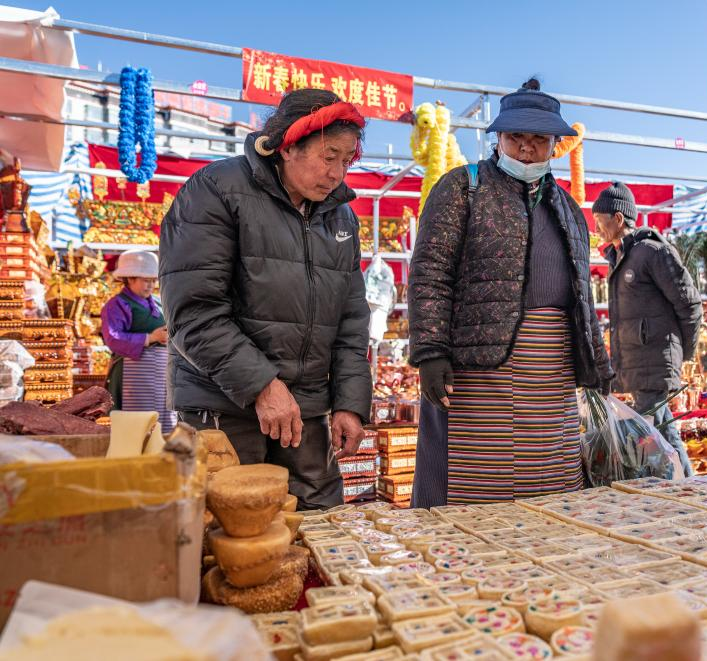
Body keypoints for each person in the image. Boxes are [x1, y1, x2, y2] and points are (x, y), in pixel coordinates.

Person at [160, 89, 371, 509]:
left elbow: (350, 319)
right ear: (288, 146)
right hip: (224, 405)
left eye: (347, 160)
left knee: (319, 527)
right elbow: (194, 312)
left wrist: (349, 403)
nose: (337, 173)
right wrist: (262, 385)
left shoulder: (341, 216)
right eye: (328, 157)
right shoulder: (216, 190)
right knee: (228, 528)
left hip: (306, 410)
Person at [409, 79, 613, 507]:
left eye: (539, 139)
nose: (526, 148)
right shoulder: (462, 188)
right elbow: (430, 271)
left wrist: (597, 365)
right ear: (498, 138)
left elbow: (582, 295)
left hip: (550, 374)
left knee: (549, 490)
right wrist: (430, 351)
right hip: (477, 371)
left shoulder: (568, 208)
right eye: (516, 136)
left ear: (554, 145)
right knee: (472, 488)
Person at [593, 182, 703, 477]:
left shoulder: (652, 252)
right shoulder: (620, 257)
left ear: (618, 218)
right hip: (639, 363)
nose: (597, 228)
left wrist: (682, 355)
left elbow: (690, 304)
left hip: (654, 362)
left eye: (600, 221)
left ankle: (679, 486)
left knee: (648, 435)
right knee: (663, 431)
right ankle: (688, 486)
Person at [100, 249, 175, 434]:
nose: (151, 285)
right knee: (136, 427)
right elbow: (113, 338)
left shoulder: (158, 302)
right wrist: (151, 337)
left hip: (162, 371)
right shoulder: (116, 305)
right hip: (133, 374)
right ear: (130, 278)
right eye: (146, 280)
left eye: (153, 280)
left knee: (164, 423)